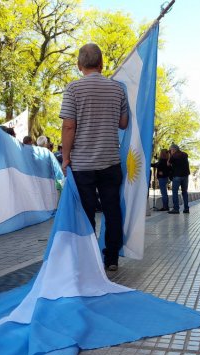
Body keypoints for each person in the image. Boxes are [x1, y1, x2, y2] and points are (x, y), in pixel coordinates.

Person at [59, 43, 128, 272]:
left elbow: (69, 126)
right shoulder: (118, 89)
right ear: (101, 63)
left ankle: (88, 259)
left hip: (83, 163)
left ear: (80, 66)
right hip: (110, 161)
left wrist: (66, 157)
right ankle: (111, 259)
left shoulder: (73, 89)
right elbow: (123, 123)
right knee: (112, 210)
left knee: (86, 212)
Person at [167, 144, 190, 214]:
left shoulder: (173, 156)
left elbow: (168, 164)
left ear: (173, 150)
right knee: (185, 192)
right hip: (186, 176)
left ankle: (176, 209)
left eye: (170, 150)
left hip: (177, 176)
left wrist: (170, 156)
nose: (170, 151)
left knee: (175, 192)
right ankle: (186, 208)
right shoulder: (184, 155)